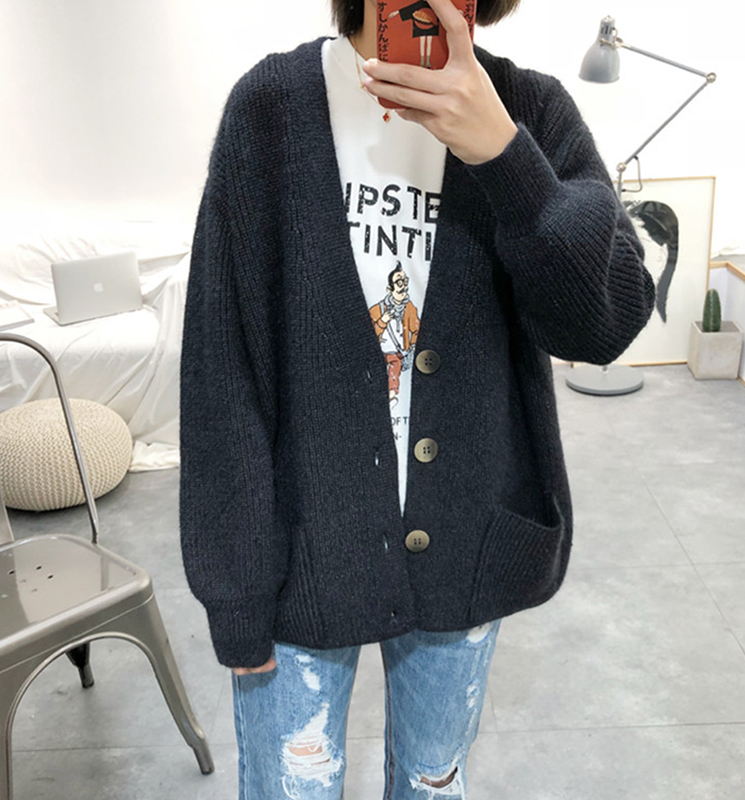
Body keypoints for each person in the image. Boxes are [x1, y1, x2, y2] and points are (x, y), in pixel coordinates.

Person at [178, 0, 656, 797]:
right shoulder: (270, 109)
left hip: (464, 546)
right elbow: (222, 370)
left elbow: (606, 322)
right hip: (300, 554)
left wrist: (505, 157)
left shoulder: (528, 109)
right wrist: (236, 591)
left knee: (434, 785)